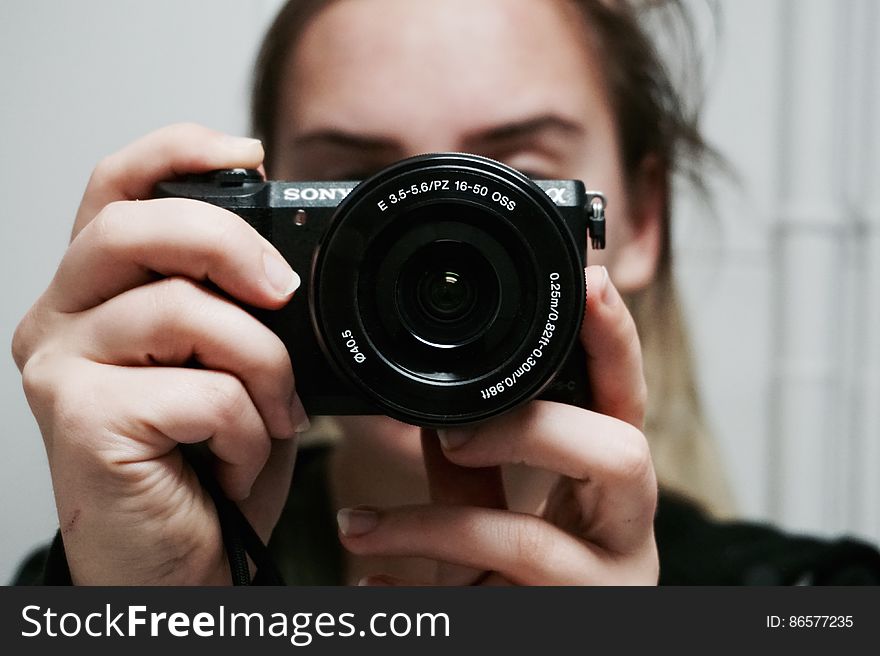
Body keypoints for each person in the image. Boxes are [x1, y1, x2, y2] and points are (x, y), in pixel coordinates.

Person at [11, 0, 880, 586]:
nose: (428, 241)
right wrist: (154, 622)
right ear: (266, 220)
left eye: (512, 178)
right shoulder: (103, 571)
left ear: (639, 220)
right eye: (357, 181)